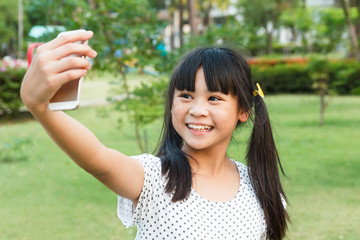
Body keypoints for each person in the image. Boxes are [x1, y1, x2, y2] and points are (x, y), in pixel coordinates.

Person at [20, 30, 289, 240]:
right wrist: (40, 108)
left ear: (243, 110)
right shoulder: (153, 178)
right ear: (171, 104)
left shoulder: (261, 188)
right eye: (186, 95)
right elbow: (98, 158)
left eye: (214, 98)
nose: (197, 110)